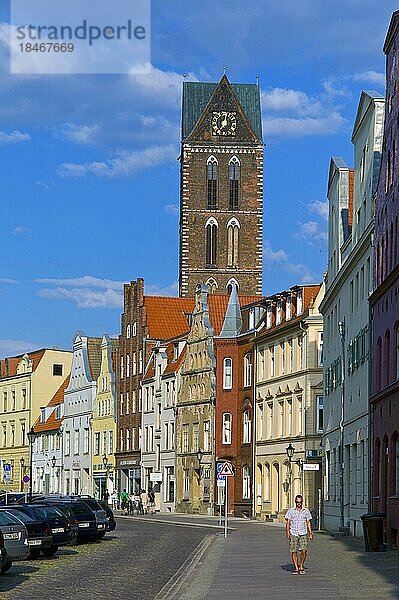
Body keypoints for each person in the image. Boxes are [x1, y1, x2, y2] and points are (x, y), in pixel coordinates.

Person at [285, 494, 313, 575]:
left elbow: (308, 522)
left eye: (300, 502)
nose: (299, 504)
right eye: (297, 502)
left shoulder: (306, 511)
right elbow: (288, 522)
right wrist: (287, 532)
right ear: (295, 502)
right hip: (293, 533)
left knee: (304, 550)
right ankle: (296, 568)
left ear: (302, 502)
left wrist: (310, 533)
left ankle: (301, 565)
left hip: (303, 532)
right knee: (294, 551)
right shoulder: (291, 511)